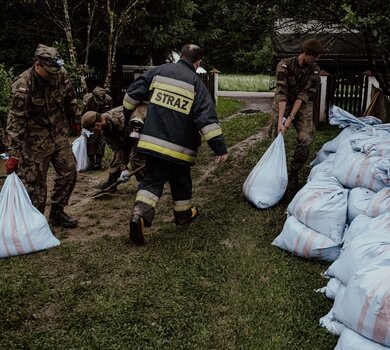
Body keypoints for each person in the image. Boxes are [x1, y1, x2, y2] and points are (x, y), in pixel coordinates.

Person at [123, 43, 228, 245]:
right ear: (198, 62)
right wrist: (219, 148)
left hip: (152, 144)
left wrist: (130, 116)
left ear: (180, 55)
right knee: (181, 182)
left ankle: (140, 214)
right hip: (181, 150)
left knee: (152, 181)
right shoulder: (196, 84)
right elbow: (206, 120)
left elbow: (130, 97)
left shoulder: (159, 71)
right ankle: (182, 216)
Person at [5, 43, 79, 228]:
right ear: (37, 65)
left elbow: (70, 98)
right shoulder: (22, 86)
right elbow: (16, 120)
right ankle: (35, 221)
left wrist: (75, 120)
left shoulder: (60, 74)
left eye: (56, 69)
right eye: (49, 70)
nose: (54, 74)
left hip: (58, 133)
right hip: (34, 140)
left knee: (69, 171)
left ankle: (57, 212)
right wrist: (13, 153)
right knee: (36, 183)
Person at [268, 38, 323, 191]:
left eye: (318, 56)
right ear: (305, 54)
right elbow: (281, 93)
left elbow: (303, 96)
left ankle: (293, 173)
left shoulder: (314, 70)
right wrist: (281, 121)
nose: (316, 59)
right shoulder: (284, 65)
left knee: (306, 138)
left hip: (300, 105)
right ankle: (274, 171)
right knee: (276, 136)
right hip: (282, 103)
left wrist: (291, 118)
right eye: (314, 56)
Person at [81, 105, 146, 192]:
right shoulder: (105, 130)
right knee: (117, 158)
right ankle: (111, 183)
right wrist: (124, 168)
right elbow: (118, 148)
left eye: (92, 130)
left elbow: (137, 131)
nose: (92, 132)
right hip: (128, 135)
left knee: (135, 158)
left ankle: (147, 184)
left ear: (97, 125)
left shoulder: (120, 118)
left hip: (141, 131)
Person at [82, 86, 113, 170]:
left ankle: (99, 161)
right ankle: (92, 161)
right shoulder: (87, 100)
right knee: (91, 140)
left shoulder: (109, 99)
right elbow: (84, 115)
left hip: (102, 121)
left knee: (102, 140)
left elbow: (110, 112)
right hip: (91, 122)